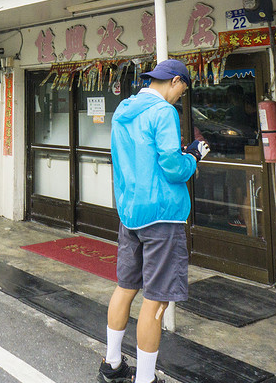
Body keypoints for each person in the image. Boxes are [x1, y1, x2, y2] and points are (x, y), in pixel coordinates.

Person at [100, 59, 210, 383]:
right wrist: (193, 158)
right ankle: (145, 379)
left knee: (124, 288)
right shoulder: (164, 112)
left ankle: (112, 365)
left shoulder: (122, 111)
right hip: (162, 216)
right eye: (182, 91)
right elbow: (173, 168)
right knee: (156, 300)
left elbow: (124, 160)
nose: (180, 98)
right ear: (175, 81)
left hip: (130, 213)